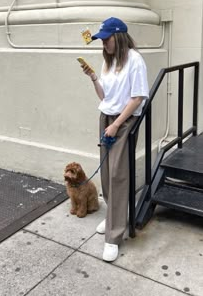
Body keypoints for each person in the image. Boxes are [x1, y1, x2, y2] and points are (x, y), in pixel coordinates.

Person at [81, 17, 149, 262]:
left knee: (119, 175)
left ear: (118, 37)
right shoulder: (108, 62)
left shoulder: (135, 60)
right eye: (102, 40)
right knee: (107, 173)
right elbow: (104, 95)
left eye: (106, 39)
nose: (104, 44)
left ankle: (115, 235)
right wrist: (93, 77)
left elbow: (138, 97)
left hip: (124, 122)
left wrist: (118, 124)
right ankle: (113, 217)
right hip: (106, 118)